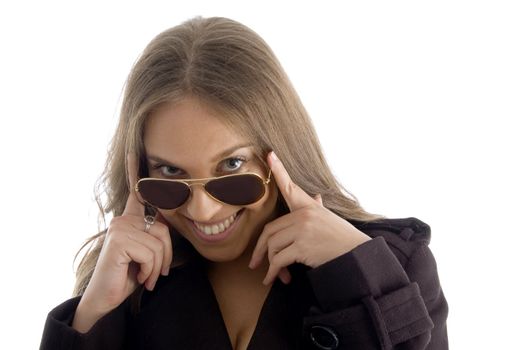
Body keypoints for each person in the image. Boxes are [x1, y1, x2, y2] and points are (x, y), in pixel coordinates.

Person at [40, 16, 448, 350]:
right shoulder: (130, 282)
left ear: (280, 150)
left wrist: (357, 277)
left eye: (232, 165)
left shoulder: (392, 267)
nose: (202, 209)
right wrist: (94, 312)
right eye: (169, 173)